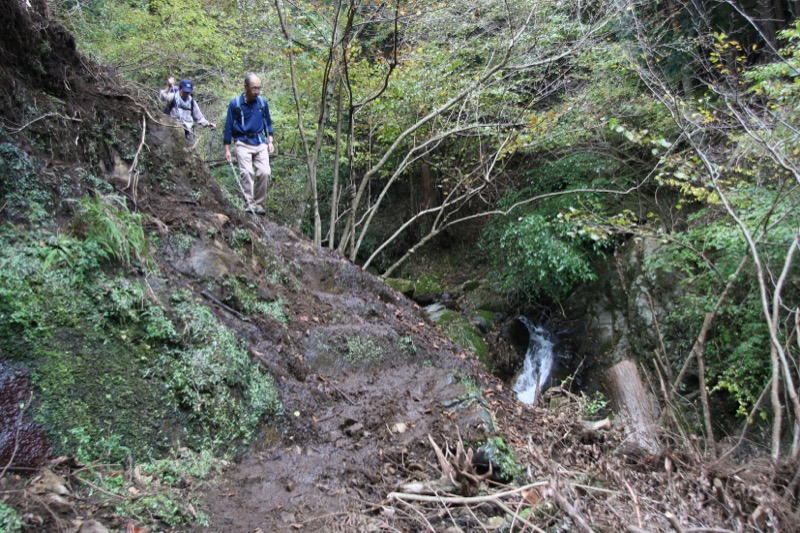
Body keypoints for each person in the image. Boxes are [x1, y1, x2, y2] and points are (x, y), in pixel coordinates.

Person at [223, 73, 275, 215]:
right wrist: (227, 149)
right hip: (242, 142)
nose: (256, 91)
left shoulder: (262, 103)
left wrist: (270, 141)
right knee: (246, 173)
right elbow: (228, 127)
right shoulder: (235, 104)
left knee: (265, 172)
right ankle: (249, 205)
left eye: (259, 88)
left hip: (260, 142)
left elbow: (268, 123)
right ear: (245, 87)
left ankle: (259, 205)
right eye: (253, 88)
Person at [159, 77, 215, 144]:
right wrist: (169, 87)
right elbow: (163, 96)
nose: (186, 94)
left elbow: (199, 117)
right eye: (185, 92)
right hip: (173, 129)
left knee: (191, 147)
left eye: (188, 92)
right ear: (180, 89)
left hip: (188, 131)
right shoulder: (173, 97)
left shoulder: (191, 102)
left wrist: (208, 124)